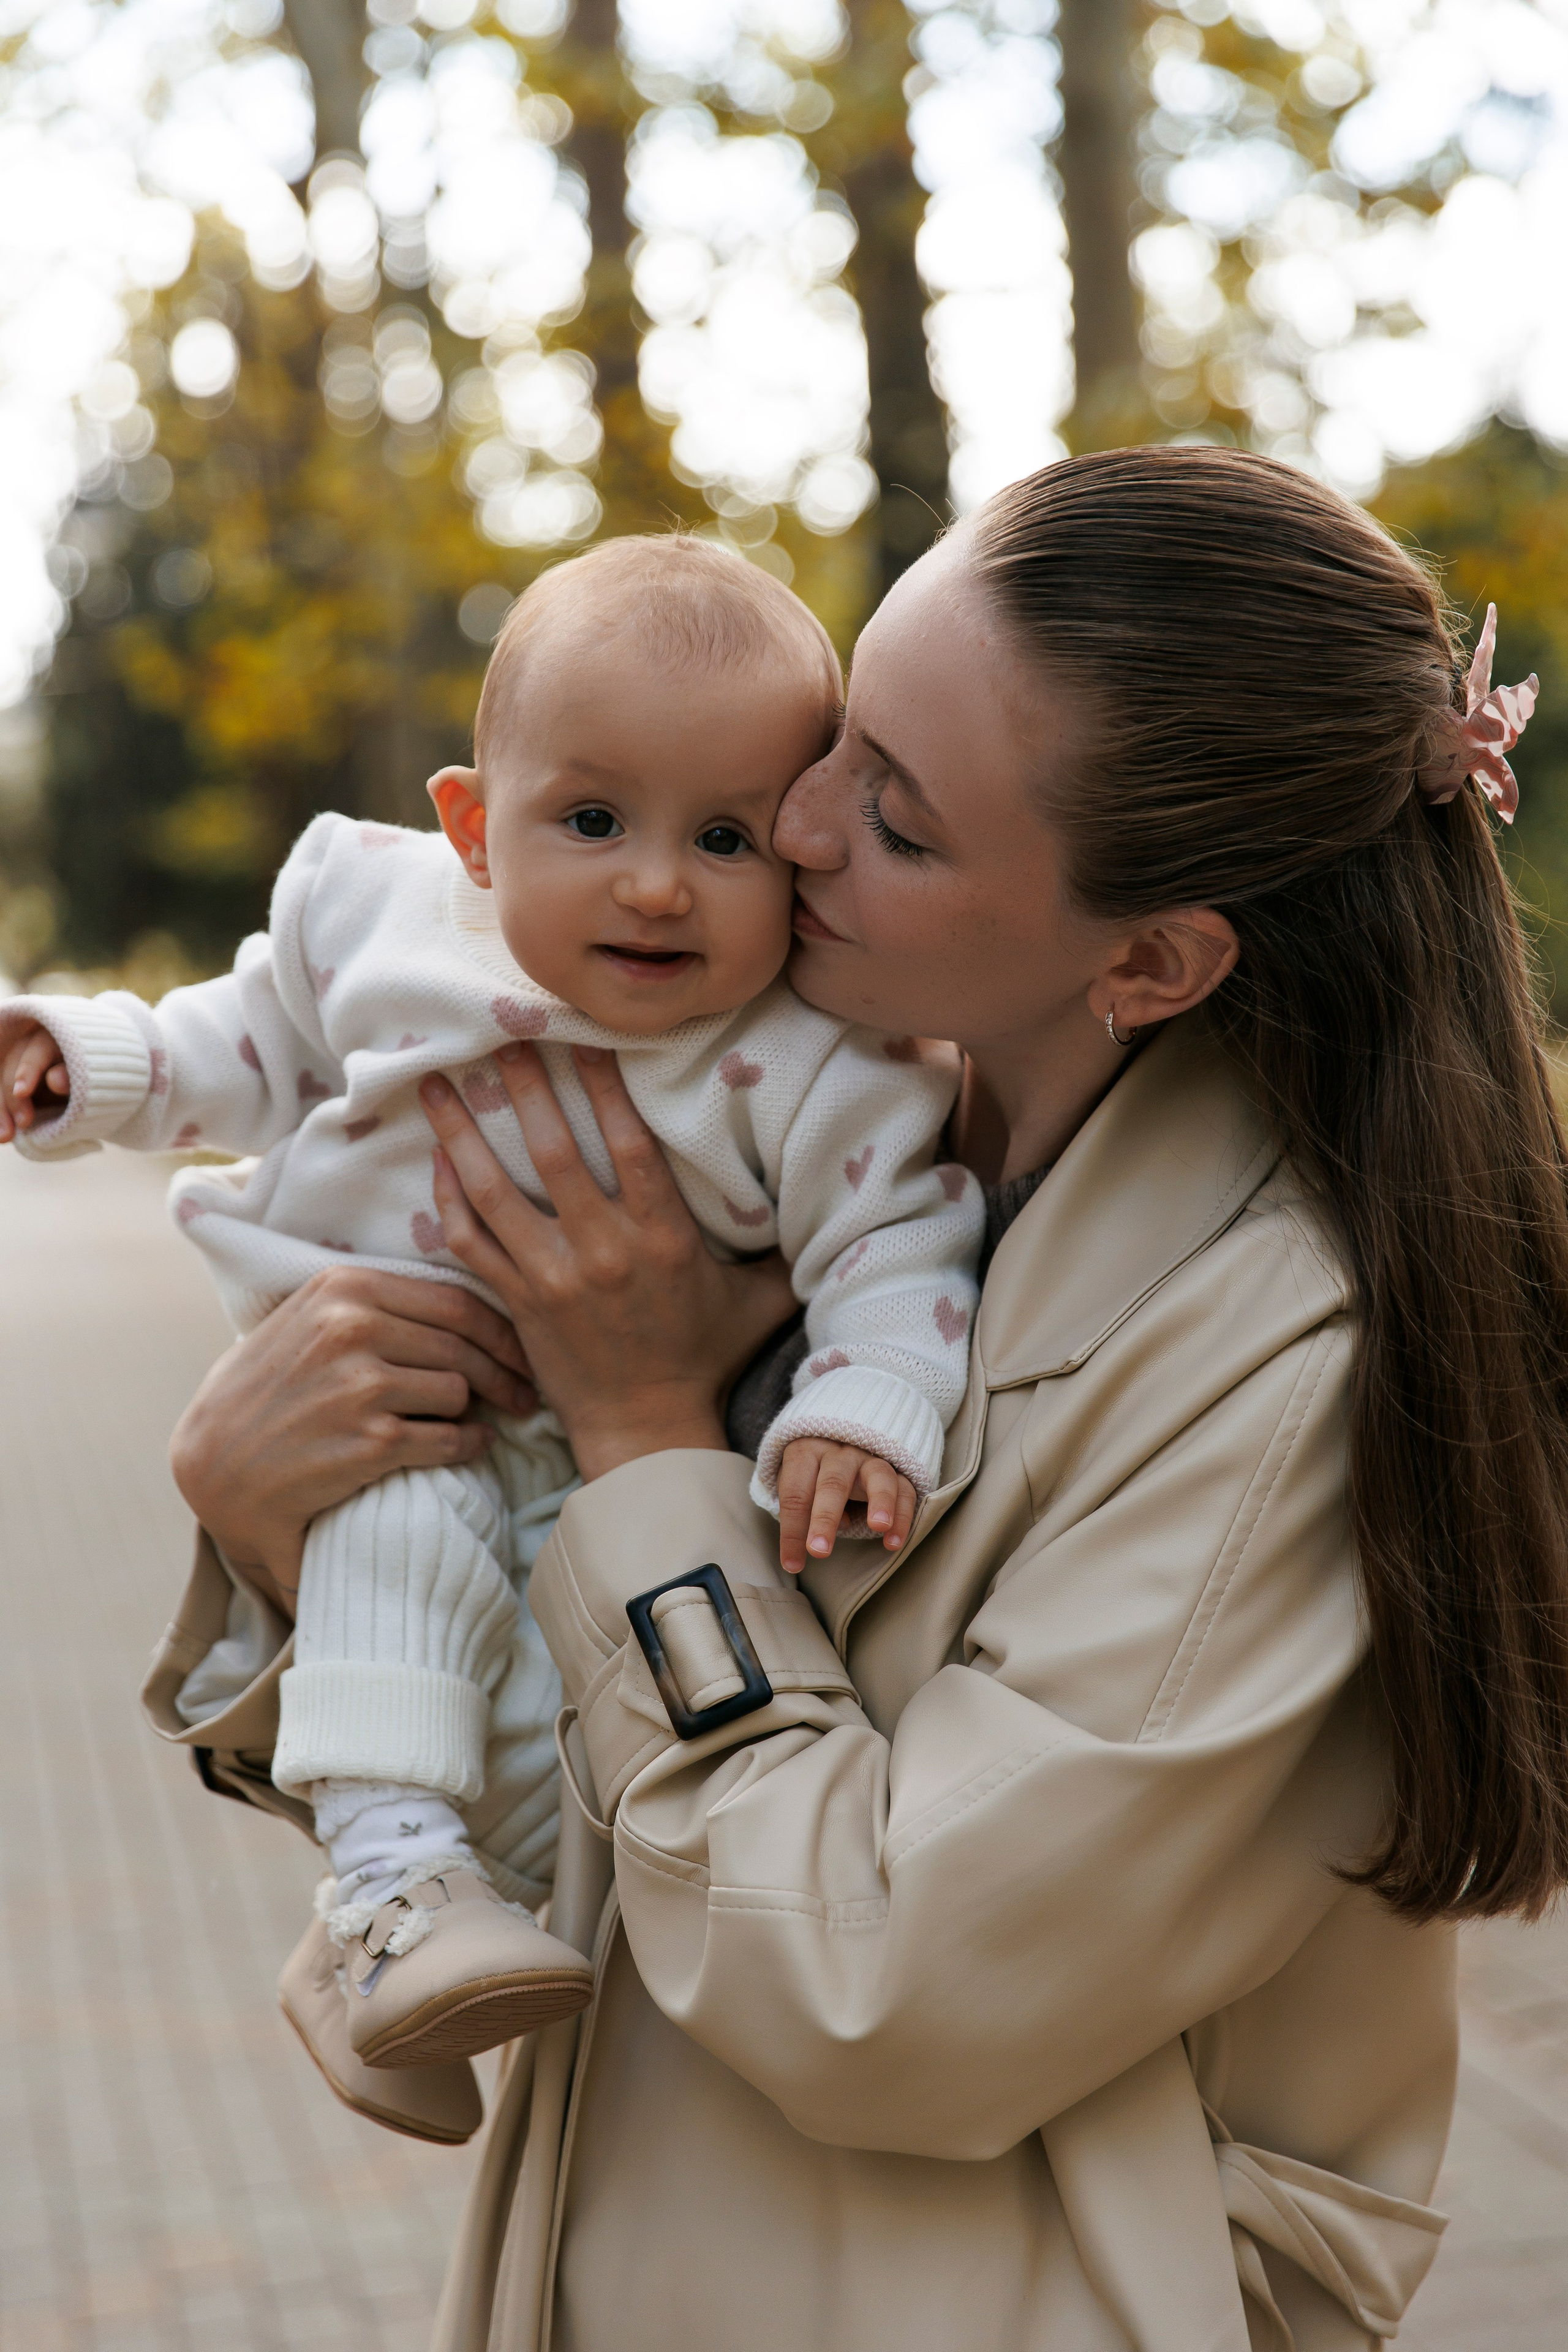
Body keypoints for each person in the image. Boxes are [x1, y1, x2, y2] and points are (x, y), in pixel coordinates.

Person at [143, 447, 1568, 2351]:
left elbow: (881, 1989)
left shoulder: (1281, 1364)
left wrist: (650, 1433)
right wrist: (286, 1525)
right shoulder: (832, 1169)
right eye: (843, 735)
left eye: (893, 816)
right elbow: (618, 1837)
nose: (788, 825)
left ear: (1148, 960)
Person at [1, 537, 983, 2096]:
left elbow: (899, 1243)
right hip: (394, 1395)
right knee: (399, 1552)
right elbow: (247, 1037)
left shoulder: (813, 1065)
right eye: (591, 820)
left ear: (796, 848)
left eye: (724, 837)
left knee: (566, 1739)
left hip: (624, 1479)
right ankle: (393, 1897)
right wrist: (94, 1062)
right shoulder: (380, 915)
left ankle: (396, 1955)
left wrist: (866, 1403)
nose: (656, 882)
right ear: (469, 827)